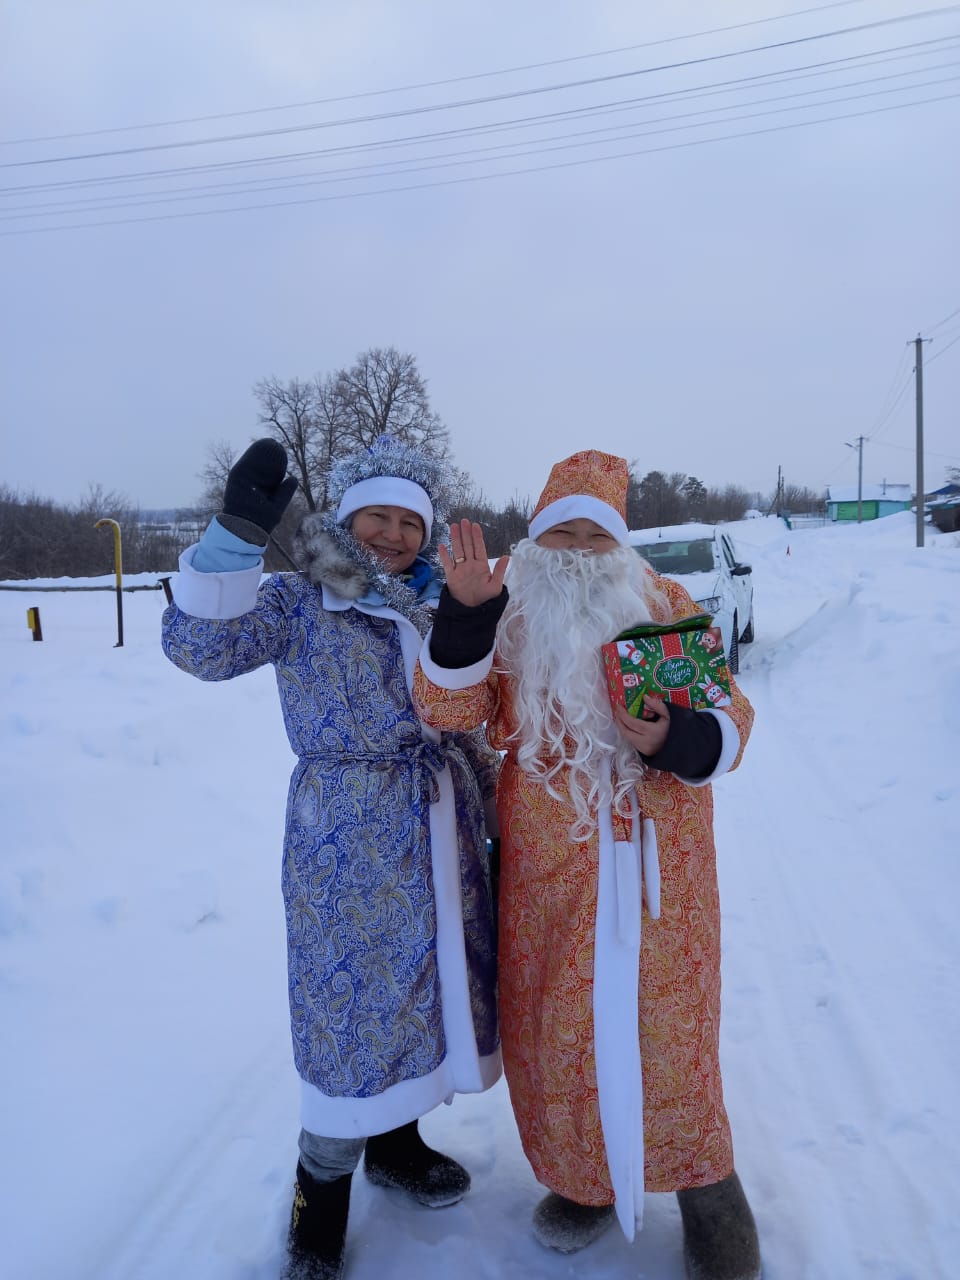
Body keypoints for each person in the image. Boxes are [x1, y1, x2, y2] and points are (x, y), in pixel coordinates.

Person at [414, 449, 762, 1280]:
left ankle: (708, 1191)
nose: (576, 552)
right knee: (559, 1024)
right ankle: (584, 1183)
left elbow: (732, 713)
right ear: (534, 539)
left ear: (620, 545)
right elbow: (447, 710)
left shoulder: (665, 601)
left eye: (594, 536)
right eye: (560, 534)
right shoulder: (503, 607)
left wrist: (677, 737)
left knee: (668, 1025)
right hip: (549, 860)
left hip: (660, 853)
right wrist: (461, 617)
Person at [161, 435, 500, 1280]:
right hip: (345, 837)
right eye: (376, 516)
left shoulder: (440, 603)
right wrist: (235, 538)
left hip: (439, 827)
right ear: (345, 519)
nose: (393, 535)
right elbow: (200, 649)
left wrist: (499, 811)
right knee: (348, 1012)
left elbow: (470, 718)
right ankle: (318, 1206)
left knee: (423, 996)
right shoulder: (300, 601)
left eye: (409, 522)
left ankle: (397, 1144)